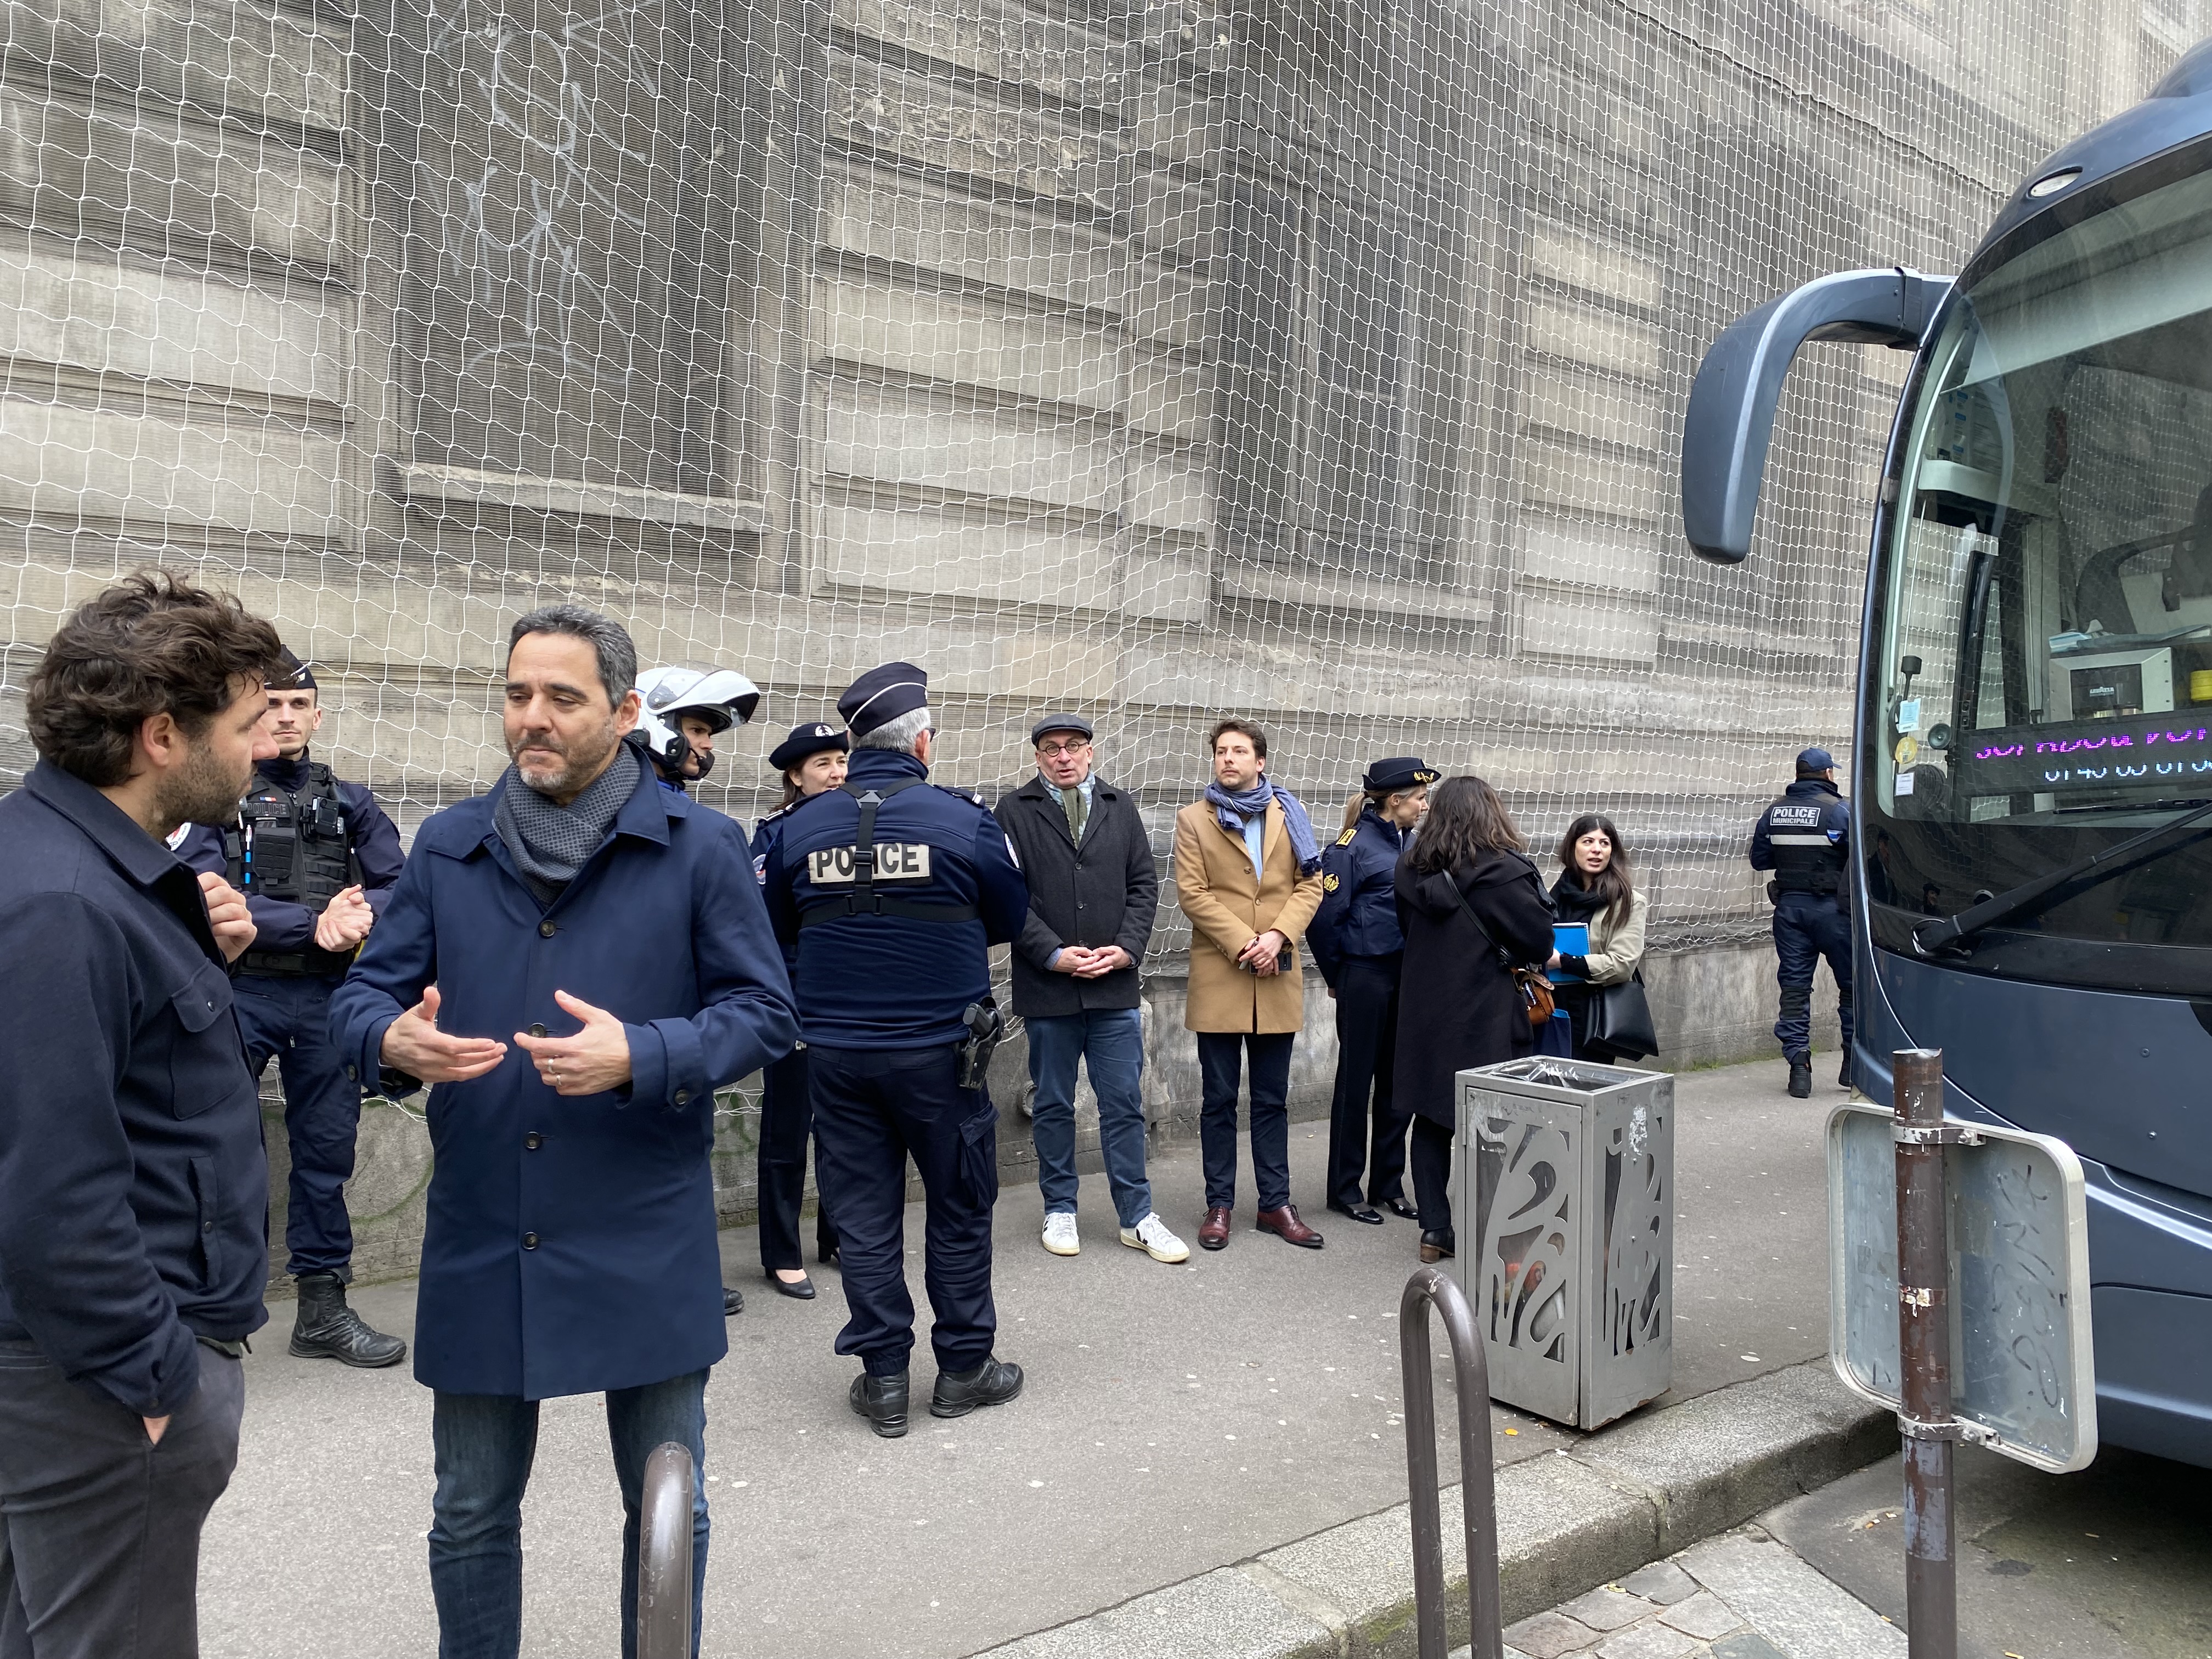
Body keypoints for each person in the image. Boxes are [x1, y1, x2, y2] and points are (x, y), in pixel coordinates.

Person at [328, 605, 797, 1659]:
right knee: (471, 1507)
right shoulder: (448, 846)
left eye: (561, 698)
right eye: (516, 693)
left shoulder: (702, 847)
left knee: (668, 1505)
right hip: (487, 1228)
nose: (530, 718)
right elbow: (360, 1002)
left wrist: (647, 1051)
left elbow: (767, 1010)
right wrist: (393, 1038)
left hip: (644, 1226)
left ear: (625, 711)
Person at [0, 571, 283, 1658]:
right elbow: (53, 1186)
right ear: (164, 735)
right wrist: (155, 1381)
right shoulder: (62, 902)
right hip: (96, 1385)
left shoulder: (92, 875)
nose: (263, 749)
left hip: (83, 1371)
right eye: (248, 725)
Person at [759, 664, 1030, 1439]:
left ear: (853, 744)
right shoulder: (964, 821)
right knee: (957, 1206)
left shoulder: (796, 830)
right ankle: (963, 1368)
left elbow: (774, 922)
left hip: (837, 1057)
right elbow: (1010, 914)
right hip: (942, 1058)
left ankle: (883, 1378)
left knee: (864, 1216)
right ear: (923, 743)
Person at [172, 650, 409, 1368]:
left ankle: (322, 1309)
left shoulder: (354, 802)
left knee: (325, 1157)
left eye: (297, 706)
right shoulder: (216, 796)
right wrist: (311, 924)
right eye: (269, 705)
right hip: (238, 993)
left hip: (326, 1000)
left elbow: (406, 889)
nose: (284, 718)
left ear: (316, 715)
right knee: (211, 1152)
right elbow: (202, 889)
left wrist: (359, 913)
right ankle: (205, 1311)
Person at [994, 714, 1185, 1265]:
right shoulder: (1014, 810)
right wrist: (1052, 953)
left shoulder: (1120, 809)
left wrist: (1127, 948)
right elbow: (1009, 896)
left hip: (1113, 985)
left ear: (1090, 752)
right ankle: (1060, 1207)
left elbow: (1144, 887)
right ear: (1037, 758)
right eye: (1051, 749)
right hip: (1049, 988)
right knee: (1052, 1103)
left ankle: (1136, 1215)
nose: (1063, 756)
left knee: (1123, 1103)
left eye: (1073, 746)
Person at [634, 661, 765, 1318]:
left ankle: (682, 1273)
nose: (707, 744)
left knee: (684, 1156)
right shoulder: (644, 821)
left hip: (687, 1031)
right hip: (639, 1028)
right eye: (696, 728)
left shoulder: (695, 824)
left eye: (711, 732)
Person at [1172, 718, 1328, 1253]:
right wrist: (1247, 943)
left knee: (1272, 1100)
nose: (1229, 759)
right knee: (1218, 1100)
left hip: (1277, 972)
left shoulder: (1292, 816)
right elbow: (1193, 894)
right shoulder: (1194, 819)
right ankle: (1220, 1205)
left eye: (1239, 751)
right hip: (1223, 973)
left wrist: (1279, 936)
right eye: (1221, 751)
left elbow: (1311, 885)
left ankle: (1275, 1204)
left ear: (1260, 761)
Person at [1392, 776, 1554, 1265]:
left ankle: (1434, 1231)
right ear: (1492, 814)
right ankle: (1495, 1230)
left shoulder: (1410, 868)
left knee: (1432, 1118)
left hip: (1424, 1011)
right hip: (1487, 1014)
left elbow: (1408, 929)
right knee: (1499, 1124)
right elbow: (1539, 943)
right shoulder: (1505, 871)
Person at [1308, 757, 1434, 1227]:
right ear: (1395, 800)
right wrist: (1338, 976)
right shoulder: (1350, 849)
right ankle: (1345, 1188)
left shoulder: (1414, 845)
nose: (1424, 805)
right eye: (1419, 798)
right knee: (1356, 1082)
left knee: (1398, 1084)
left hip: (1407, 975)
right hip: (1364, 974)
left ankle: (1388, 1184)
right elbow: (1325, 921)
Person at [751, 721, 852, 1298]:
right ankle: (781, 1252)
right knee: (788, 1131)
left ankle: (836, 1237)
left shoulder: (866, 825)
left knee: (846, 1129)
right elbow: (758, 924)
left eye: (841, 761)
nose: (837, 772)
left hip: (851, 1001)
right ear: (796, 776)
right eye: (823, 764)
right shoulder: (775, 834)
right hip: (794, 998)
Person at [1748, 746, 1853, 1099]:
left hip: (1790, 911)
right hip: (1835, 913)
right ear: (1827, 775)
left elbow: (1760, 859)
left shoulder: (1774, 812)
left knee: (1795, 989)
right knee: (1853, 988)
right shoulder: (1840, 811)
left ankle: (1799, 1068)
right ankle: (1852, 1065)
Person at [1545, 814, 1650, 1062]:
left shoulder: (1629, 902)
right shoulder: (1556, 894)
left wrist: (1565, 962)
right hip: (1553, 1008)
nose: (1597, 850)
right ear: (1573, 848)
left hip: (1594, 1015)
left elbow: (1622, 965)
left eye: (1605, 843)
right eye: (1588, 841)